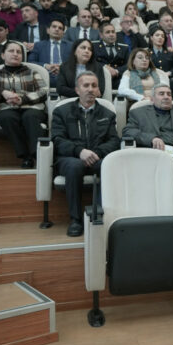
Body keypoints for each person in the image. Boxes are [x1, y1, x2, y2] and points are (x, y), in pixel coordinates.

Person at [52, 71, 120, 237]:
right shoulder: (61, 111)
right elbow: (57, 139)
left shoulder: (108, 114)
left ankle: (105, 215)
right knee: (74, 166)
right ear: (77, 90)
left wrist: (95, 153)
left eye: (94, 86)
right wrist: (79, 151)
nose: (90, 89)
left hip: (97, 157)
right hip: (70, 158)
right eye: (86, 85)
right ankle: (75, 219)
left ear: (98, 90)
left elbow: (113, 141)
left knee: (109, 165)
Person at [0, 41, 47, 168]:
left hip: (32, 107)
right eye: (11, 51)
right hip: (7, 107)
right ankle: (26, 156)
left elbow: (43, 92)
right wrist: (3, 92)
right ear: (3, 55)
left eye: (19, 52)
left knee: (29, 117)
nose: (15, 54)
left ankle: (38, 155)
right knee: (7, 118)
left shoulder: (32, 72)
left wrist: (22, 99)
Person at [123, 82, 173, 173]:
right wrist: (151, 139)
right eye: (161, 94)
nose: (166, 97)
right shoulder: (138, 113)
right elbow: (128, 131)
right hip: (152, 158)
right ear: (152, 99)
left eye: (169, 94)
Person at [27, 18, 72, 87]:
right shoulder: (39, 45)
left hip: (64, 76)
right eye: (54, 27)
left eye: (60, 28)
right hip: (45, 75)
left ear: (63, 33)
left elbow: (76, 62)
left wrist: (62, 68)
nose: (57, 29)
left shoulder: (70, 46)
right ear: (48, 30)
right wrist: (46, 66)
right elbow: (31, 62)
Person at [93, 22, 130, 89]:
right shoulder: (94, 46)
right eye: (108, 32)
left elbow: (129, 64)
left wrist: (117, 71)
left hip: (119, 79)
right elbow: (91, 62)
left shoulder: (124, 48)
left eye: (113, 32)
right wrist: (105, 67)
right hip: (100, 78)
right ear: (101, 35)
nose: (111, 34)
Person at [148, 27, 173, 94]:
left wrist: (169, 73)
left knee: (172, 83)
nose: (160, 38)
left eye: (162, 36)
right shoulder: (146, 53)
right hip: (151, 80)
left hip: (167, 80)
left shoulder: (169, 54)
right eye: (157, 35)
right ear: (151, 38)